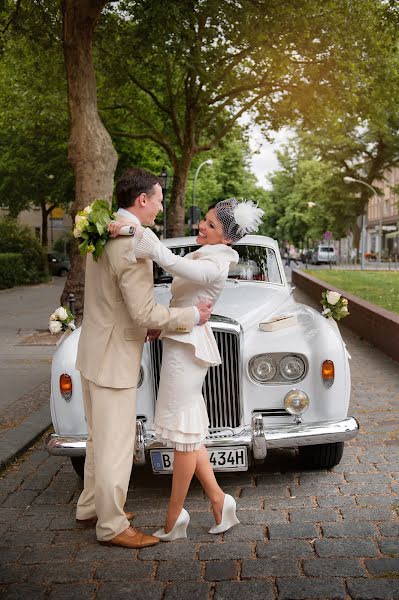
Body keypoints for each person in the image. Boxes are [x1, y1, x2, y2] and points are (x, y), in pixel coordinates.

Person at [75, 167, 213, 549]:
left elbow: (115, 301)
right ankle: (113, 526)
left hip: (93, 351)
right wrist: (191, 317)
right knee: (116, 446)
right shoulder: (133, 243)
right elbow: (144, 313)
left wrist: (148, 325)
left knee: (96, 440)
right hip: (114, 358)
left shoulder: (105, 230)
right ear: (142, 200)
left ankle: (91, 508)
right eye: (158, 200)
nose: (160, 207)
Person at [111, 197, 264, 540]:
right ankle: (218, 500)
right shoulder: (204, 254)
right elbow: (180, 295)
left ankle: (174, 515)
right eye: (204, 221)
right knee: (189, 434)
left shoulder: (217, 263)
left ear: (226, 238)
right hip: (178, 339)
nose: (202, 227)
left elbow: (173, 266)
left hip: (188, 347)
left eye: (211, 226)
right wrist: (159, 326)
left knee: (182, 437)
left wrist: (139, 231)